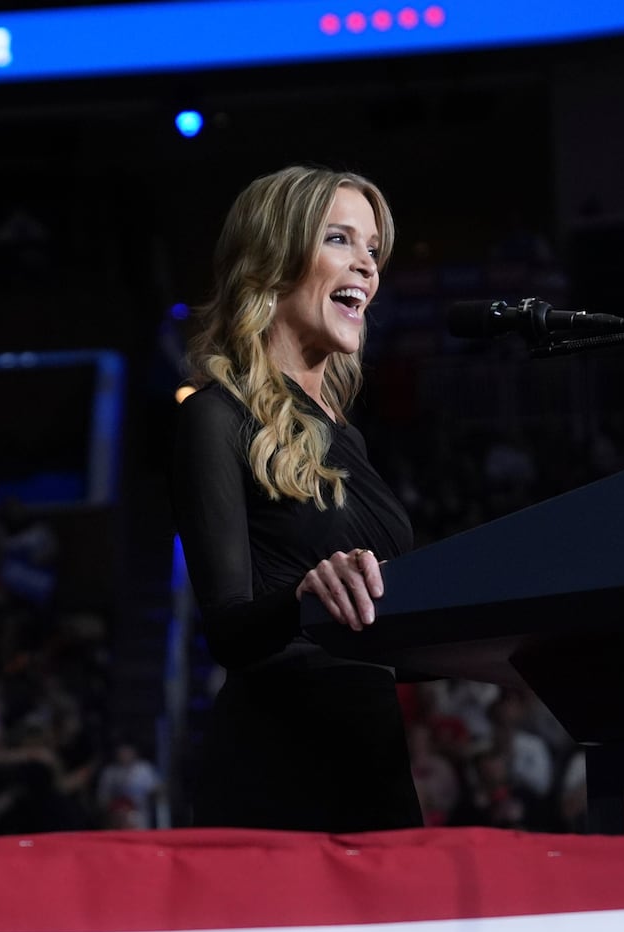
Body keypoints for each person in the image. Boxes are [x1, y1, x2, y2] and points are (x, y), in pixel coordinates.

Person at [172, 165, 421, 832]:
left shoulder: (348, 438)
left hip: (372, 755)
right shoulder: (216, 418)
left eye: (373, 249)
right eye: (340, 239)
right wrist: (305, 595)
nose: (367, 266)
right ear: (273, 259)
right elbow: (227, 626)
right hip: (278, 767)